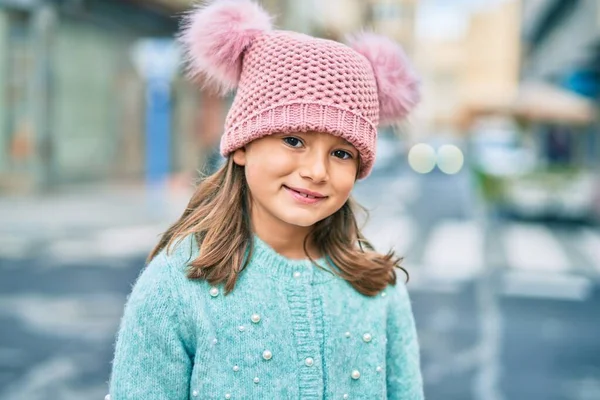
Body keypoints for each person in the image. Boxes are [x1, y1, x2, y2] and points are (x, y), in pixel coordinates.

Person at [107, 0, 423, 399]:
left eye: (342, 153)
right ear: (242, 145)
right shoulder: (175, 287)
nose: (317, 171)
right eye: (293, 140)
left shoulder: (378, 286)